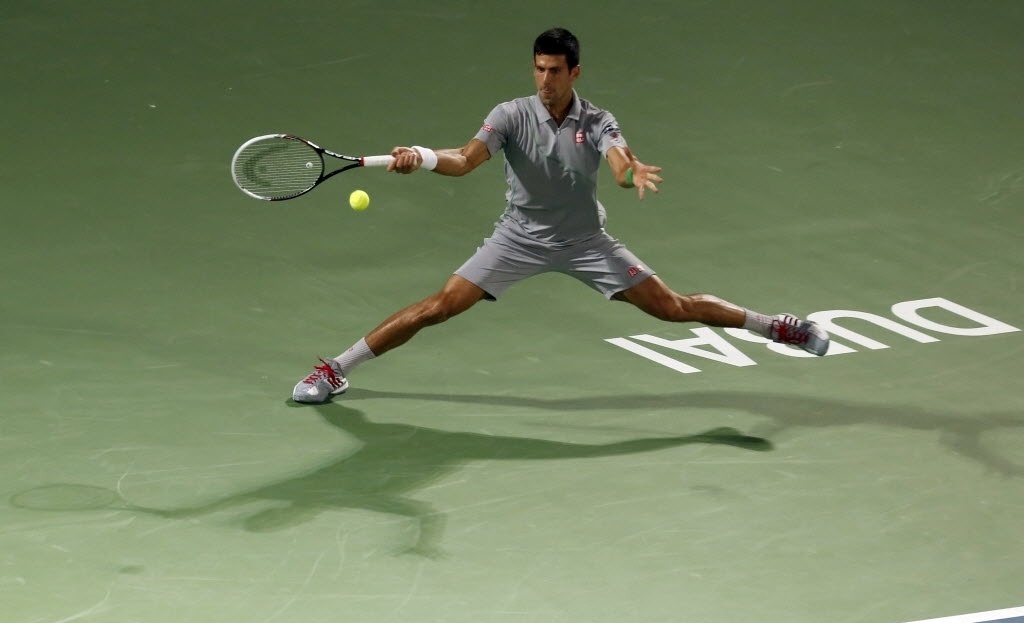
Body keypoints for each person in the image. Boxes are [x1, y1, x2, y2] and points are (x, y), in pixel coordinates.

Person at [292, 27, 828, 404]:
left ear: (575, 71)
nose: (545, 80)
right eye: (539, 69)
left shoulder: (597, 119)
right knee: (438, 307)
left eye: (555, 71)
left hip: (585, 241)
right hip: (517, 239)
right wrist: (424, 158)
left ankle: (776, 327)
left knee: (672, 307)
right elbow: (465, 160)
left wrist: (630, 174)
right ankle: (337, 369)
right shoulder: (510, 115)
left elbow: (619, 162)